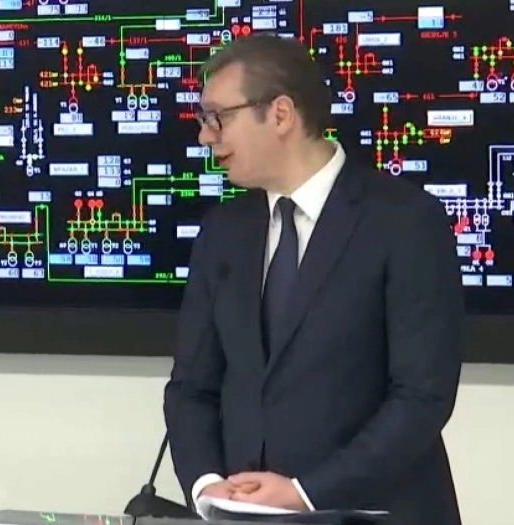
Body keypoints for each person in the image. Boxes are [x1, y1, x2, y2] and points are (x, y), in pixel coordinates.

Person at [163, 34, 463, 525]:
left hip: (376, 514)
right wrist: (207, 485)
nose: (205, 136)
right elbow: (191, 388)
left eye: (218, 117)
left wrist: (305, 493)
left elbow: (421, 397)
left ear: (281, 114)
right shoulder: (223, 233)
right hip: (245, 515)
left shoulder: (404, 221)